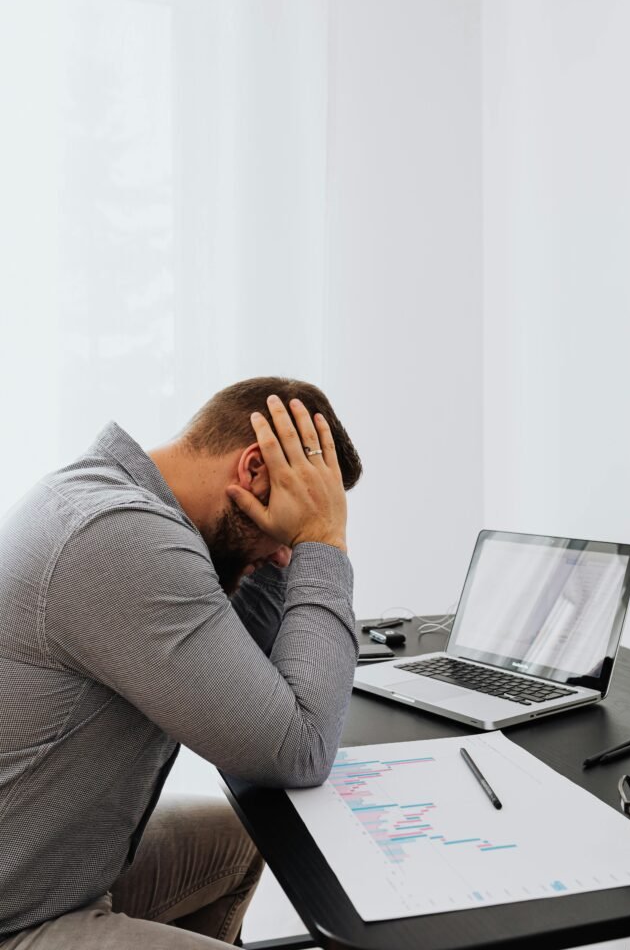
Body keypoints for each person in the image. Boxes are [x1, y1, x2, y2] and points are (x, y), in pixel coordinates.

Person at [0, 377, 363, 949]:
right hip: (18, 916)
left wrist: (279, 551)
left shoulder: (113, 496)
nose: (286, 551)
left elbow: (261, 673)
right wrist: (324, 542)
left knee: (239, 841)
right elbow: (299, 748)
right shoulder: (122, 537)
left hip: (55, 872)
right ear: (253, 471)